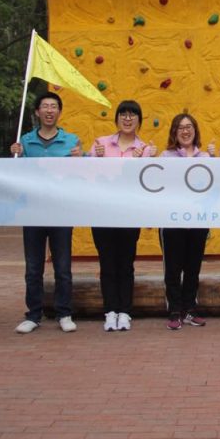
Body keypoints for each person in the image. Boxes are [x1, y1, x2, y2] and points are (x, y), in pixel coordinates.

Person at [9, 91, 83, 335]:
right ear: (37, 112)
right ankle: (33, 314)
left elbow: (84, 175)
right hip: (33, 212)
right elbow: (17, 177)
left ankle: (64, 312)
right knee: (33, 267)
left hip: (62, 212)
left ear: (59, 112)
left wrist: (82, 159)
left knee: (62, 266)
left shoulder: (72, 141)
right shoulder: (26, 142)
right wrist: (15, 157)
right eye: (45, 106)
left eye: (54, 107)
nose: (49, 111)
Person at [89, 100, 155, 332]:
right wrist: (93, 159)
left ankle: (125, 311)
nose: (128, 119)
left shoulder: (144, 148)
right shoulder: (101, 144)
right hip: (102, 213)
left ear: (139, 120)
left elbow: (148, 182)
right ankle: (110, 311)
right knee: (107, 264)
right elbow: (89, 177)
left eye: (133, 115)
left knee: (126, 264)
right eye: (123, 114)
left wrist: (145, 161)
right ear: (116, 119)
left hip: (129, 214)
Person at [159, 113, 217, 330]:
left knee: (193, 268)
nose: (185, 131)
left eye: (189, 127)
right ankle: (174, 311)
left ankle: (190, 310)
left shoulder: (206, 157)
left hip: (198, 221)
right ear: (175, 132)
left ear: (195, 130)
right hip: (172, 221)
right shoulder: (165, 156)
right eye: (180, 127)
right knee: (173, 269)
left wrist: (216, 160)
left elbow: (214, 187)